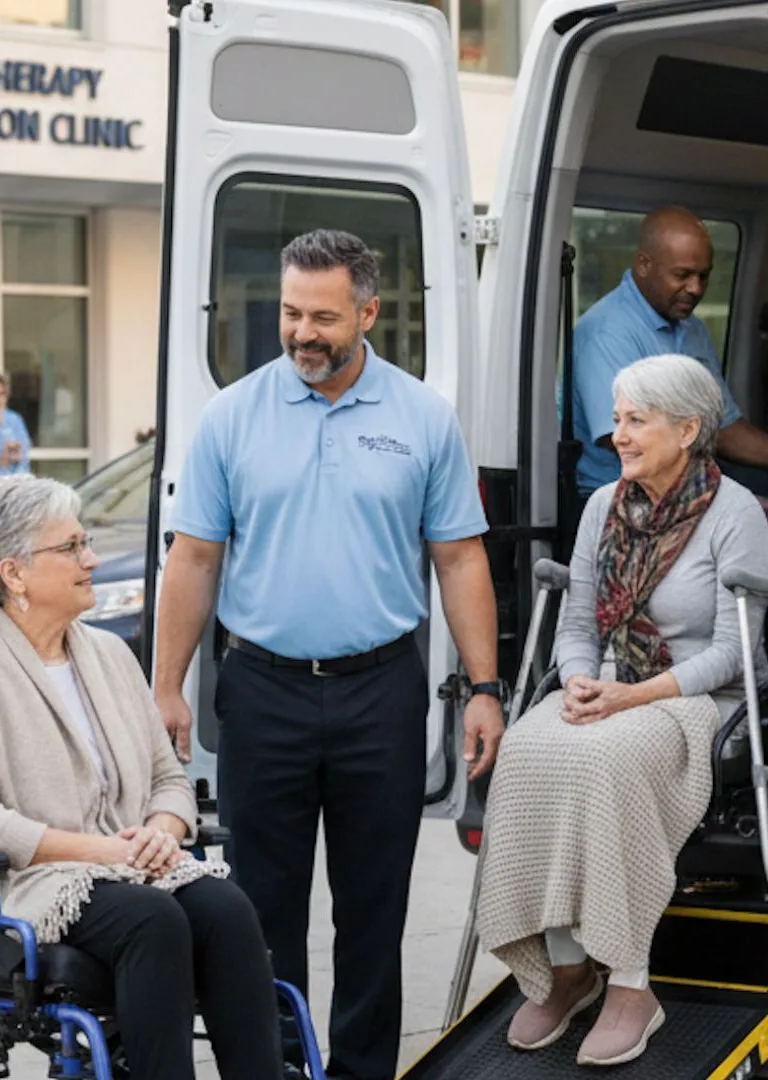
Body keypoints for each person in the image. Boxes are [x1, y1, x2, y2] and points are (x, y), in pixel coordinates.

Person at [154, 228, 505, 1080]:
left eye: (322, 316)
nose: (302, 333)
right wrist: (163, 684)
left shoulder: (422, 416)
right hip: (262, 692)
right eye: (288, 312)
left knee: (373, 912)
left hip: (379, 692)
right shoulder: (232, 415)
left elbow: (459, 557)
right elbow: (194, 557)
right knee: (259, 913)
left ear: (369, 313)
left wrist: (485, 687)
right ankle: (273, 1068)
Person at [0, 475, 282, 1080]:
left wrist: (164, 831)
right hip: (29, 881)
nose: (90, 559)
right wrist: (101, 849)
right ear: (14, 574)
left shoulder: (109, 655)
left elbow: (168, 776)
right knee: (153, 920)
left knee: (227, 909)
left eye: (85, 542)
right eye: (71, 548)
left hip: (129, 863)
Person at [477, 353, 768, 1068]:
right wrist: (579, 682)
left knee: (605, 756)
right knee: (527, 746)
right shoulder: (602, 508)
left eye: (637, 421)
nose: (619, 436)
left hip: (704, 700)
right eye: (617, 420)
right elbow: (578, 627)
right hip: (617, 684)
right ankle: (566, 964)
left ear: (688, 428)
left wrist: (631, 697)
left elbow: (734, 656)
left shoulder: (737, 514)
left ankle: (632, 981)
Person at [570, 206, 768, 544]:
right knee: (762, 520)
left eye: (704, 276)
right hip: (630, 495)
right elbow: (622, 439)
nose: (696, 289)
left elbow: (724, 427)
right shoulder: (608, 331)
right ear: (643, 265)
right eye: (682, 275)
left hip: (692, 478)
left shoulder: (692, 330)